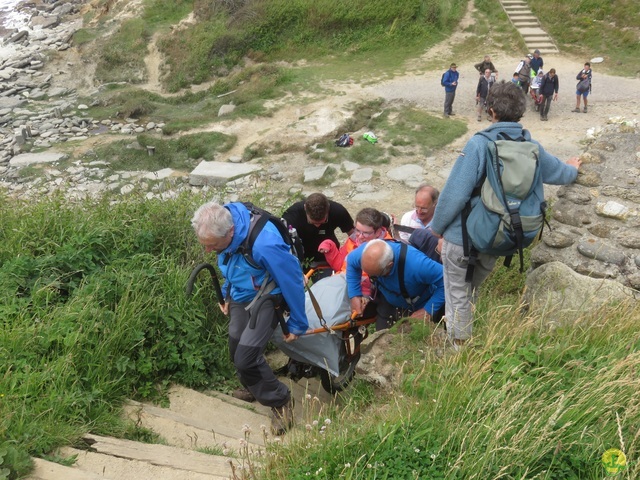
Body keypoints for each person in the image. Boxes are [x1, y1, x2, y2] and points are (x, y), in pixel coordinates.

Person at [430, 81, 582, 349]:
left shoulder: (479, 144)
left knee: (457, 294)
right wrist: (573, 168)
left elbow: (455, 194)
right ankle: (464, 332)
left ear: (491, 111)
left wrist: (436, 228)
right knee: (469, 291)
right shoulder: (529, 144)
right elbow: (557, 172)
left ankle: (458, 350)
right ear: (521, 111)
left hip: (462, 237)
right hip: (496, 236)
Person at [191, 201, 309, 435]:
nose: (208, 251)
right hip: (241, 293)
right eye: (205, 245)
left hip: (269, 296)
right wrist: (226, 292)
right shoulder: (225, 223)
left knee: (246, 358)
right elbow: (232, 263)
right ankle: (254, 386)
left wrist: (297, 322)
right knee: (236, 347)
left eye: (211, 246)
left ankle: (281, 401)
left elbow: (292, 280)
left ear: (230, 232)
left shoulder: (265, 244)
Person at [346, 239, 445, 331]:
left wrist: (428, 310)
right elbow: (351, 261)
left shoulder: (418, 265)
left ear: (390, 265)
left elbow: (446, 280)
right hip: (388, 301)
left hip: (419, 304)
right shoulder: (366, 255)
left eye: (375, 274)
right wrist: (354, 295)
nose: (371, 277)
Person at [319, 207, 392, 296]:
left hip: (363, 291)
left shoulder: (387, 249)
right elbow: (340, 265)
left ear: (378, 232)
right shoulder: (353, 239)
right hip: (341, 282)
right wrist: (330, 247)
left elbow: (385, 280)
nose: (360, 237)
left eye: (366, 233)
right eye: (357, 230)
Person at [282, 193, 354, 271]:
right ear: (305, 208)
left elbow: (354, 235)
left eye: (322, 222)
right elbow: (282, 243)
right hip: (303, 257)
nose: (317, 226)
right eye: (312, 223)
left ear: (328, 209)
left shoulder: (338, 211)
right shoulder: (292, 215)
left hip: (329, 255)